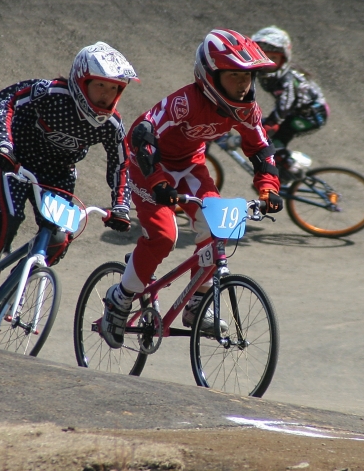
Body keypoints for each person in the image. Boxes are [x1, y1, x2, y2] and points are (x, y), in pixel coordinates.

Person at [99, 29, 284, 349]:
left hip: (189, 165)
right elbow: (142, 135)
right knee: (164, 236)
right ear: (210, 76)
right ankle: (120, 298)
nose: (243, 85)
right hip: (148, 166)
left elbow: (261, 149)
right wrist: (157, 182)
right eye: (235, 76)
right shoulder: (185, 103)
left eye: (248, 77)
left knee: (218, 226)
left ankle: (198, 302)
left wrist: (268, 188)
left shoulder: (247, 108)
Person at [0, 42, 139, 331]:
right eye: (100, 86)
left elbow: (121, 163)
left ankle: (14, 285)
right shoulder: (49, 93)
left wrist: (120, 205)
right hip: (19, 165)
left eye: (114, 89)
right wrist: (3, 145)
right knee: (4, 225)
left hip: (59, 176)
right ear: (80, 81)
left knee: (59, 239)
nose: (107, 96)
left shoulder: (111, 125)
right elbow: (4, 101)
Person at [250, 26, 329, 175]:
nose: (267, 63)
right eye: (262, 56)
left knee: (273, 141)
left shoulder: (287, 79)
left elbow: (285, 103)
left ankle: (292, 169)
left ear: (283, 59)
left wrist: (271, 122)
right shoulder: (265, 73)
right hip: (298, 112)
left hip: (312, 115)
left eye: (273, 58)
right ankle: (279, 169)